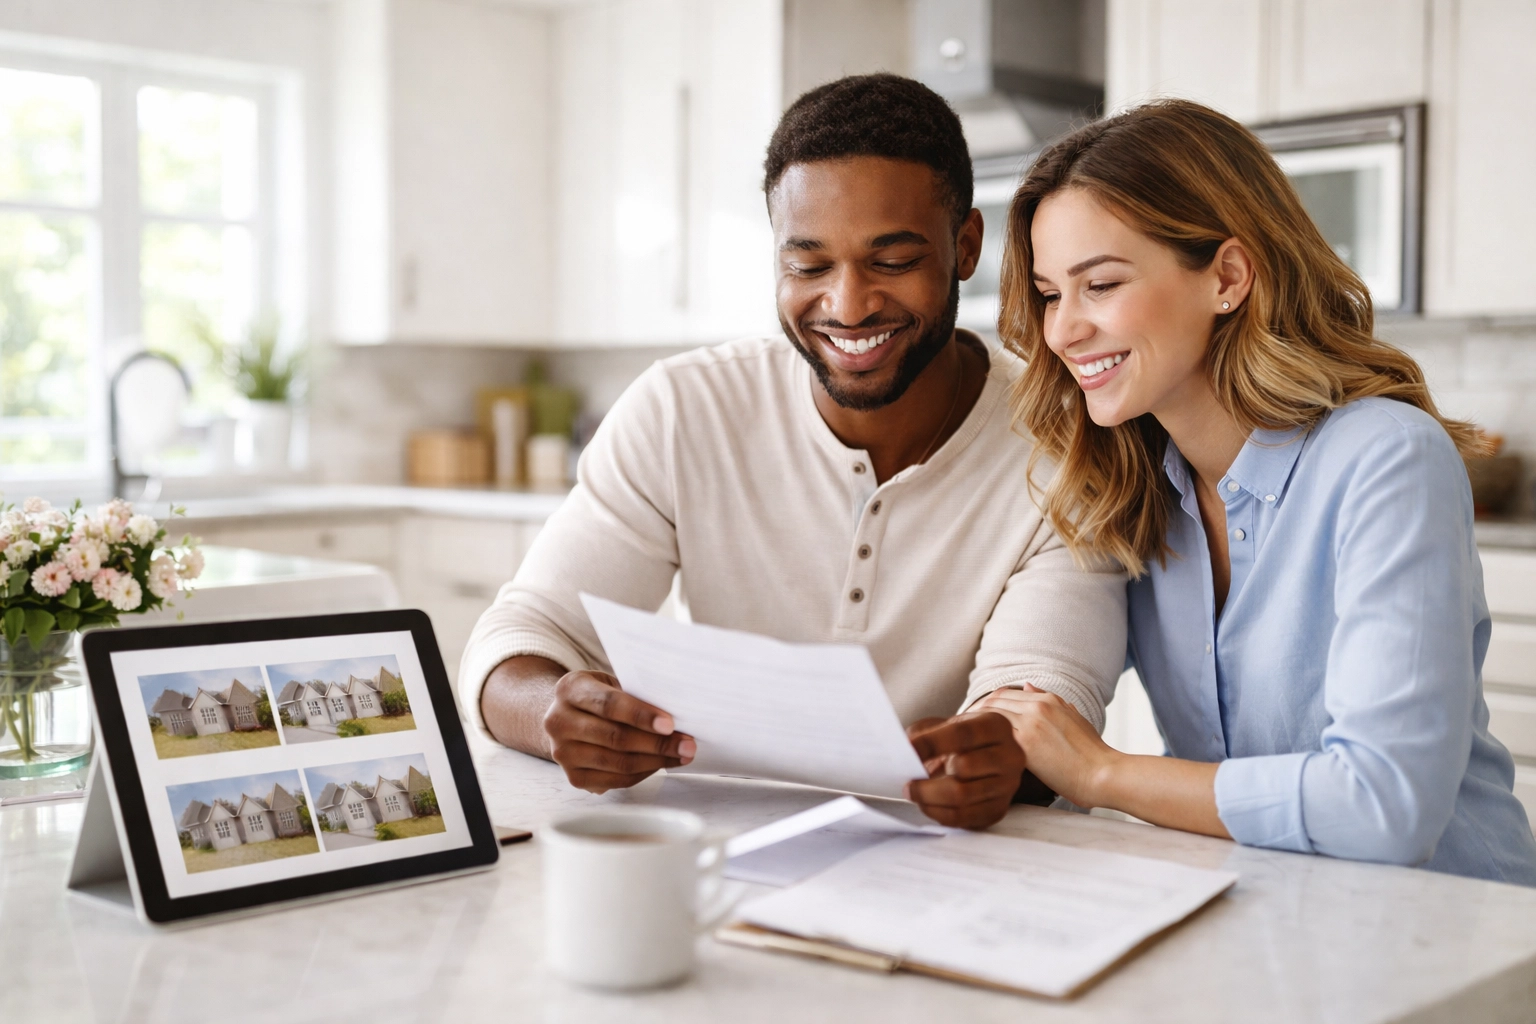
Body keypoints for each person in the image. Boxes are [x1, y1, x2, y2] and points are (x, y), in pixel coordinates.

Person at [458, 74, 1127, 830]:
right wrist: (557, 713)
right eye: (808, 265)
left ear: (965, 246)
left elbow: (1042, 696)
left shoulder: (1072, 441)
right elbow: (516, 640)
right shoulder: (684, 410)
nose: (847, 305)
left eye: (892, 260)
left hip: (948, 860)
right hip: (719, 850)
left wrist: (998, 761)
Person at [979, 98, 1536, 883]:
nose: (1062, 330)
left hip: (1459, 933)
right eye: (1048, 294)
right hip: (1274, 915)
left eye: (1099, 284)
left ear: (1228, 278)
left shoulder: (1385, 460)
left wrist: (1102, 774)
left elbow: (1386, 805)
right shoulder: (1127, 488)